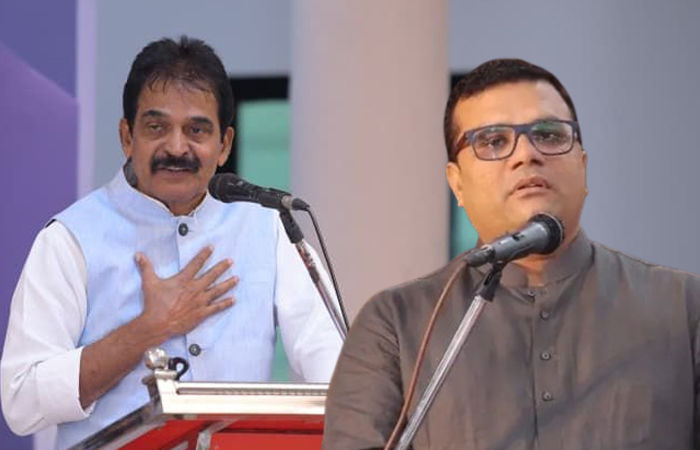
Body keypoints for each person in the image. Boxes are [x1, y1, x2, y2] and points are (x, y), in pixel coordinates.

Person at [322, 58, 700, 449]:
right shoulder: (395, 323)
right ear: (457, 184)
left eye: (549, 134)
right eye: (493, 141)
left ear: (583, 165)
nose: (526, 155)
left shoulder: (684, 307)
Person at [1, 36, 342, 449]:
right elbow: (21, 399)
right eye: (156, 127)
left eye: (196, 130)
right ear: (127, 137)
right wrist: (147, 330)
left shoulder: (267, 228)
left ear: (224, 145)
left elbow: (334, 368)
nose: (177, 147)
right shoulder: (69, 239)